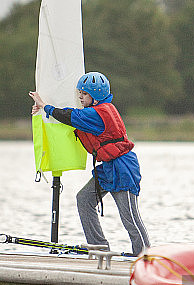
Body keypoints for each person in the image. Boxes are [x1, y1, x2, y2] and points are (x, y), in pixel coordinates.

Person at [29, 72, 150, 257]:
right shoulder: (94, 111)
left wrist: (45, 106)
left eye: (84, 94)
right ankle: (99, 248)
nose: (80, 97)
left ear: (96, 95)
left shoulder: (99, 112)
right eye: (80, 93)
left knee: (129, 217)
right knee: (84, 199)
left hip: (123, 167)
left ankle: (145, 256)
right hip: (109, 167)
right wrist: (42, 112)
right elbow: (69, 121)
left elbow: (68, 116)